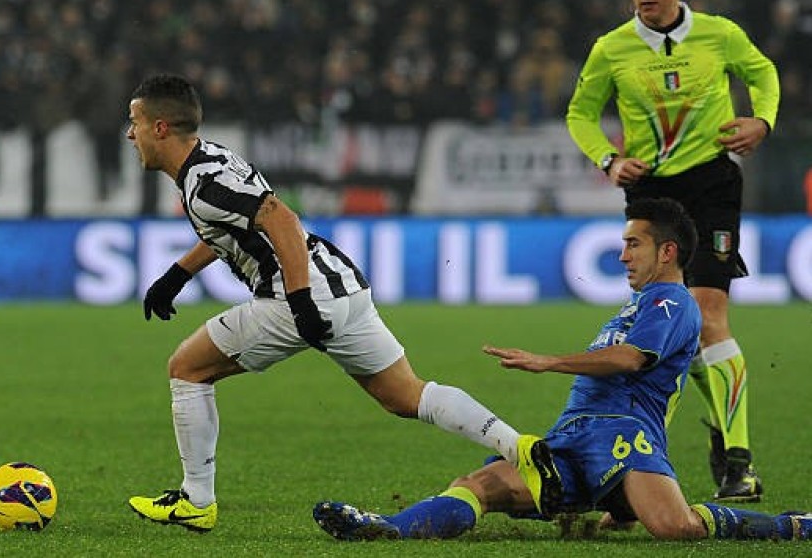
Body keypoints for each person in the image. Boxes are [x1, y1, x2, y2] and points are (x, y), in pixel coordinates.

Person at [124, 74, 521, 532]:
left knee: (187, 368)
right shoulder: (210, 159)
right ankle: (522, 448)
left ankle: (196, 500)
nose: (129, 133)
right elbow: (236, 229)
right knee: (406, 395)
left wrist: (299, 301)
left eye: (134, 122)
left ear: (160, 128)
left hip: (297, 294)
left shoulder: (204, 185)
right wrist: (177, 275)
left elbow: (280, 217)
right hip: (342, 285)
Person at [312, 198, 812, 543]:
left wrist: (548, 362)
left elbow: (632, 360)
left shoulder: (674, 301)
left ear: (668, 251)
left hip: (623, 436)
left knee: (675, 528)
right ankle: (392, 527)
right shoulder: (633, 308)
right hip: (570, 439)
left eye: (633, 244)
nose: (621, 255)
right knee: (479, 485)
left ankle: (791, 527)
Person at [565, 0, 780, 502]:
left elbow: (763, 73)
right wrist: (608, 159)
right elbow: (580, 114)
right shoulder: (612, 48)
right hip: (650, 193)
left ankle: (737, 460)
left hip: (711, 183)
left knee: (709, 316)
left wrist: (762, 120)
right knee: (669, 325)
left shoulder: (720, 34)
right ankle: (680, 439)